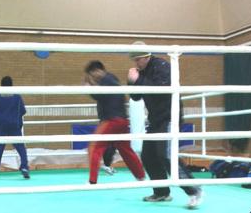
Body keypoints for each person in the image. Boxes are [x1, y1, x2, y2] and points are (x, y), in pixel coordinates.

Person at [127, 41, 202, 209]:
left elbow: (162, 89)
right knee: (148, 155)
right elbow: (136, 97)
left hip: (169, 117)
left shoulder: (162, 66)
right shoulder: (142, 71)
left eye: (138, 59)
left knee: (166, 154)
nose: (136, 63)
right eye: (134, 61)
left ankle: (194, 191)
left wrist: (139, 79)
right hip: (155, 120)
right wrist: (132, 81)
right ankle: (162, 193)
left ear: (146, 56)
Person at [84, 60, 145, 184]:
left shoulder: (104, 80)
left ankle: (92, 181)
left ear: (94, 72)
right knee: (125, 149)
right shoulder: (111, 78)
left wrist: (89, 88)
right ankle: (140, 176)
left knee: (94, 148)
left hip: (111, 120)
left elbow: (101, 96)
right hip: (122, 119)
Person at [0, 76, 30, 180]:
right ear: (12, 85)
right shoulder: (17, 97)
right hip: (14, 125)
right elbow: (23, 111)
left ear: (1, 85)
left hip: (1, 126)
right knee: (21, 148)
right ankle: (24, 167)